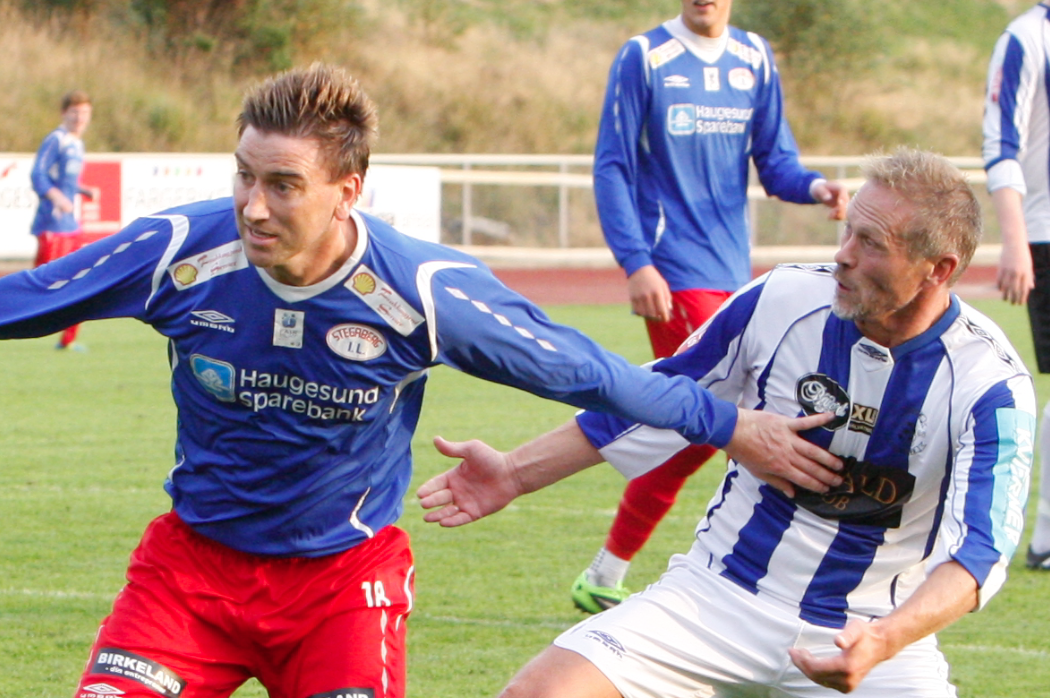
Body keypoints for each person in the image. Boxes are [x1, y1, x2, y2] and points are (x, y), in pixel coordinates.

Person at [0, 64, 841, 698]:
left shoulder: (423, 293)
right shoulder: (180, 254)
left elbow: (592, 372)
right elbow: (30, 296)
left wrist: (728, 425)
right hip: (188, 578)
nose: (253, 204)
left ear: (348, 189)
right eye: (244, 175)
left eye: (283, 184)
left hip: (342, 583)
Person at [419, 150, 1033, 697]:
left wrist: (886, 639)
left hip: (871, 630)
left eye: (871, 243)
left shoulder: (990, 384)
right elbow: (658, 401)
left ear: (938, 269)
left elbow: (980, 551)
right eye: (847, 231)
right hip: (716, 598)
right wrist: (514, 473)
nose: (842, 255)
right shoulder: (783, 299)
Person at [579, 0, 851, 612]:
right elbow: (612, 165)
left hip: (734, 272)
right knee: (718, 422)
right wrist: (636, 261)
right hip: (672, 269)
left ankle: (610, 572)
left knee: (698, 428)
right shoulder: (645, 57)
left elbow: (774, 163)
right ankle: (730, 575)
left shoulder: (754, 57)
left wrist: (816, 186)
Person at [982, 2, 1050, 571]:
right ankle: (1046, 534)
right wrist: (1015, 240)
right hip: (1046, 231)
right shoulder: (1027, 38)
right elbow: (1001, 144)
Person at [30, 89, 93, 351]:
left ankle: (68, 340)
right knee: (43, 285)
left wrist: (81, 190)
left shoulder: (77, 143)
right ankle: (14, 324)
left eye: (84, 113)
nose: (80, 118)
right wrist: (57, 198)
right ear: (64, 113)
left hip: (71, 225)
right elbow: (38, 175)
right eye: (74, 112)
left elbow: (64, 179)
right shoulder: (56, 140)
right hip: (53, 224)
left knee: (79, 279)